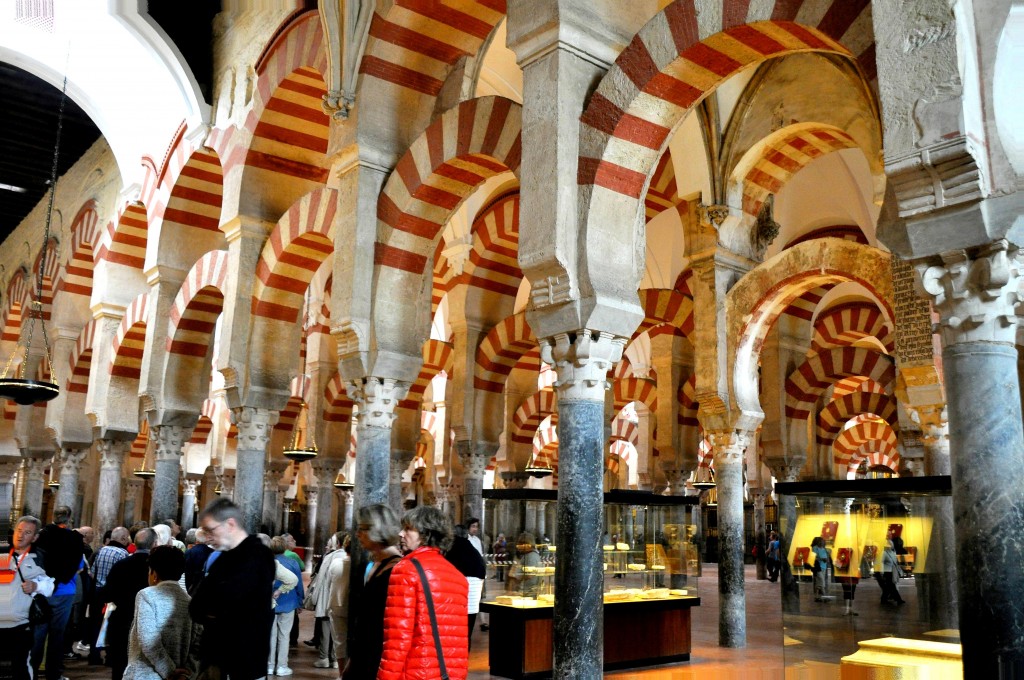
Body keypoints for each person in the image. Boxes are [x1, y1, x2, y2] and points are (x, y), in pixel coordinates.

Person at [378, 505, 468, 680]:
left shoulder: (406, 570)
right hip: (450, 674)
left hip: (416, 672)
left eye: (408, 529)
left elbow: (397, 639)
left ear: (427, 534)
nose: (401, 534)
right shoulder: (458, 576)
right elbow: (458, 641)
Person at [189, 498, 276, 680]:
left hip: (245, 659)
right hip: (218, 657)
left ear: (230, 524)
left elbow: (228, 601)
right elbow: (196, 607)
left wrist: (215, 610)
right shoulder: (223, 557)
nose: (207, 537)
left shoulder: (257, 554)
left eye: (210, 530)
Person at [341, 505, 402, 680]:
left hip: (379, 656)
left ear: (378, 529)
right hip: (364, 651)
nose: (358, 534)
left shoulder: (397, 569)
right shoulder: (372, 565)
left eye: (363, 529)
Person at [122, 546, 197, 680]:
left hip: (146, 674)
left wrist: (169, 671)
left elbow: (149, 640)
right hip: (180, 675)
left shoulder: (147, 595)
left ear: (154, 574)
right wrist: (187, 674)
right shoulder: (190, 601)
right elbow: (197, 643)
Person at [32, 505, 85, 680]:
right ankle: (53, 674)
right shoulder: (74, 539)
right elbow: (79, 567)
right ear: (69, 518)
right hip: (64, 590)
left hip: (40, 589)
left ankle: (30, 672)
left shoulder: (41, 535)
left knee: (38, 633)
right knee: (57, 634)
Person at [1, 516, 55, 680]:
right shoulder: (3, 553)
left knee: (21, 668)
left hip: (21, 625)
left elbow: (50, 586)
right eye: (19, 531)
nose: (21, 536)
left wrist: (36, 586)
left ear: (35, 537)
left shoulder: (39, 558)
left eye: (27, 532)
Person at [101, 527, 157, 680]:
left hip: (121, 619)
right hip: (146, 621)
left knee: (119, 663)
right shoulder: (154, 568)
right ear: (154, 544)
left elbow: (107, 593)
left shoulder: (121, 565)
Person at [87, 526, 131, 664]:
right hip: (114, 594)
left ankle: (93, 655)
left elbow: (92, 572)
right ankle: (111, 656)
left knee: (96, 625)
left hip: (98, 592)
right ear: (123, 538)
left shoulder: (101, 551)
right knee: (111, 626)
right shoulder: (122, 554)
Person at [444, 524, 486, 646]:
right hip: (475, 588)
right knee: (468, 627)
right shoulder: (470, 548)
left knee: (456, 630)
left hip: (461, 591)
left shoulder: (454, 548)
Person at [268, 536, 304, 677]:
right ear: (284, 547)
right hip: (288, 602)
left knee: (271, 634)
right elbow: (298, 584)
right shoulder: (292, 562)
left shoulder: (268, 562)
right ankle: (282, 666)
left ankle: (269, 665)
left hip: (270, 602)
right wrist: (300, 601)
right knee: (284, 635)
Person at [182, 528, 212, 595]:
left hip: (190, 585)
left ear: (196, 538)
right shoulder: (211, 552)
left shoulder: (189, 552)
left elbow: (186, 570)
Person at [511, 533, 543, 597]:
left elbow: (529, 575)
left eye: (520, 545)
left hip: (528, 592)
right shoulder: (529, 555)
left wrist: (518, 577)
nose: (519, 547)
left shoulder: (530, 556)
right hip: (527, 591)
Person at [878, 540, 905, 605]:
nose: (889, 546)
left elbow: (895, 562)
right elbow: (881, 562)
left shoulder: (893, 552)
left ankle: (884, 599)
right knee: (892, 586)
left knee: (889, 587)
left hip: (892, 571)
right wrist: (881, 571)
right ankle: (898, 599)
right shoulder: (884, 553)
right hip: (887, 572)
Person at [810, 536, 830, 602]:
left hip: (824, 567)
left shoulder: (824, 549)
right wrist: (822, 559)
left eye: (822, 541)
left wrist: (827, 560)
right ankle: (824, 597)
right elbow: (814, 557)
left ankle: (816, 597)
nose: (822, 542)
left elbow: (827, 558)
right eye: (820, 541)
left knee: (819, 582)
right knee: (822, 581)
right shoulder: (815, 548)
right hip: (818, 567)